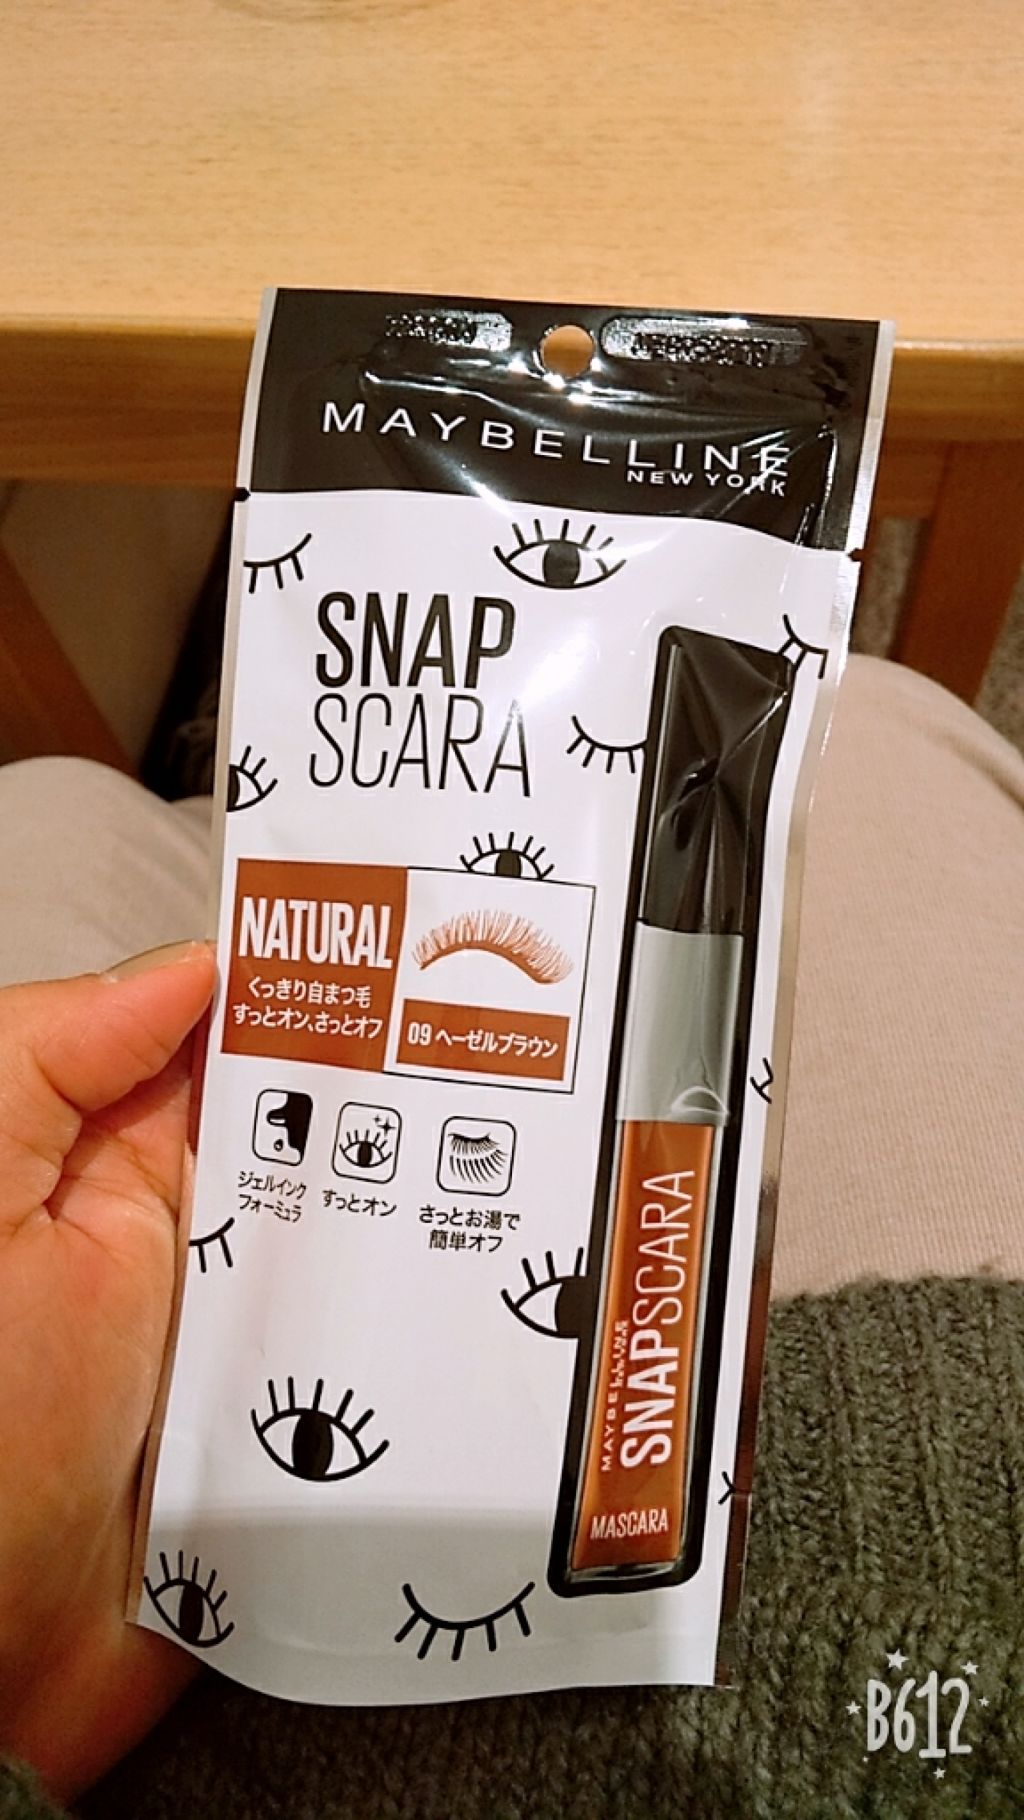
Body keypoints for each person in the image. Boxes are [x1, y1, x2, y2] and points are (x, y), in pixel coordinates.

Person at [1, 654, 1023, 1818]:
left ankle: (208, 782)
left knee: (61, 799)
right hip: (895, 1535)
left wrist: (19, 1667)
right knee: (880, 718)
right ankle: (227, 781)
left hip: (188, 1690)